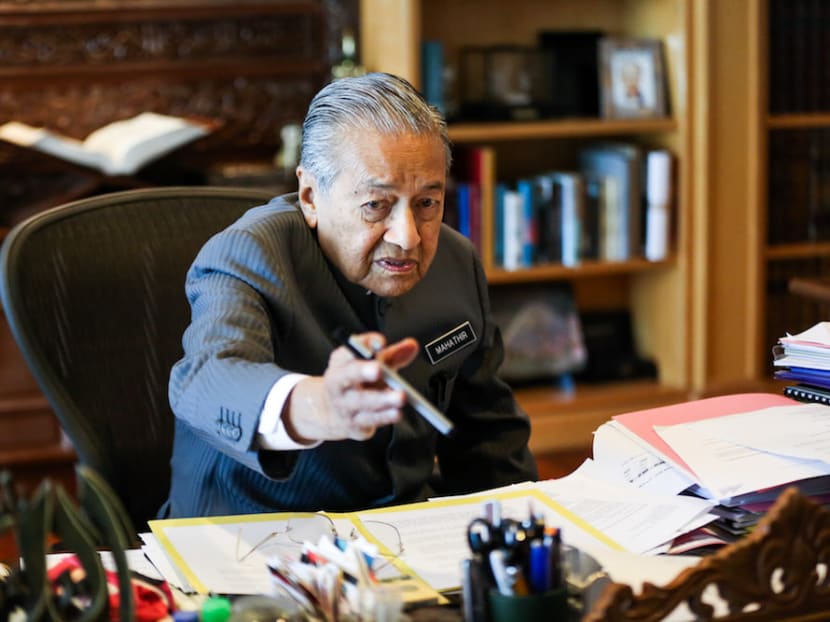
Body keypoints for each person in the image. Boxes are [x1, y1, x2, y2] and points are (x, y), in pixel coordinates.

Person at [162, 72, 538, 518]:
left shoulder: (457, 262)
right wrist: (320, 406)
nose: (408, 238)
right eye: (376, 206)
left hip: (399, 543)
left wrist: (529, 537)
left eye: (427, 203)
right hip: (249, 539)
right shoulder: (248, 252)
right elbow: (207, 378)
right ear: (310, 196)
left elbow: (489, 437)